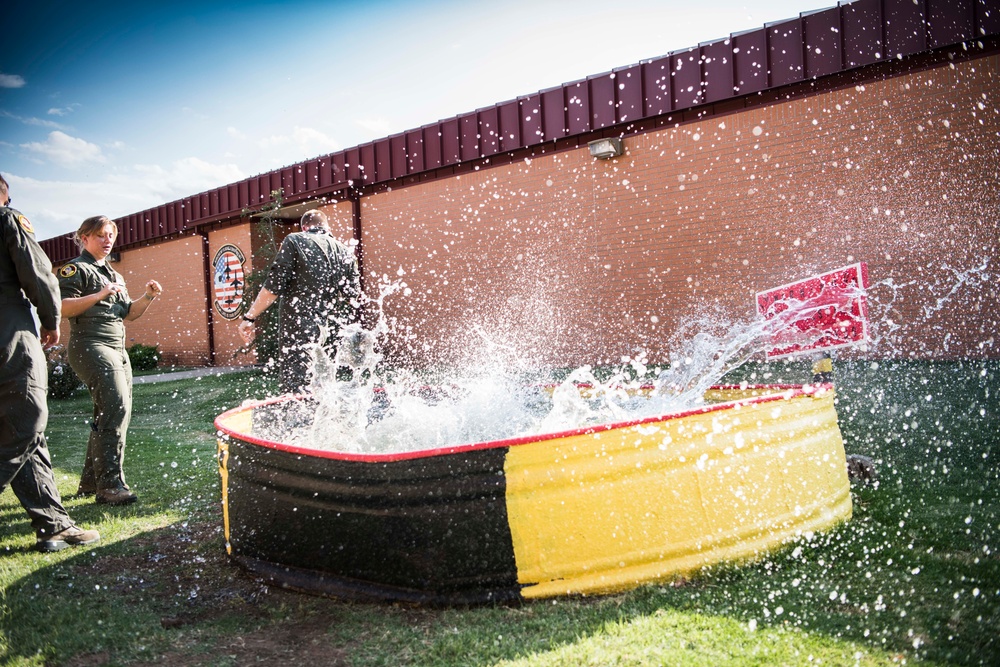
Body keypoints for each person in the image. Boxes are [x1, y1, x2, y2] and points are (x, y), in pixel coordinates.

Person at [0, 173, 100, 551]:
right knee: (26, 421)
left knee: (27, 432)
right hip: (8, 336)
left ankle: (54, 524)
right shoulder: (7, 219)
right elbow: (38, 274)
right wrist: (49, 318)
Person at [58, 215, 163, 506]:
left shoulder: (115, 275)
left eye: (111, 236)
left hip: (117, 348)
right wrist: (100, 293)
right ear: (84, 238)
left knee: (115, 411)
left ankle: (91, 484)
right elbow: (63, 308)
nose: (107, 241)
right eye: (101, 235)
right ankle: (110, 485)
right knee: (115, 407)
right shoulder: (74, 270)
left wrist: (147, 297)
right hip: (89, 344)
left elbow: (129, 312)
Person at [239, 209, 360, 394]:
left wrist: (249, 318)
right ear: (327, 227)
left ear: (304, 227)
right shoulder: (345, 252)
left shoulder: (295, 240)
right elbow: (353, 296)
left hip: (297, 330)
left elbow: (274, 286)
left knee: (296, 390)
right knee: (321, 387)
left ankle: (297, 420)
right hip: (326, 330)